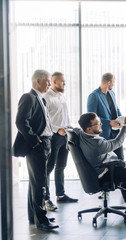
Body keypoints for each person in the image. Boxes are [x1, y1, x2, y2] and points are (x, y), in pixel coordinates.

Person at [74, 112, 126, 222]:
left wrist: (68, 130)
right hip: (107, 173)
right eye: (97, 123)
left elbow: (76, 130)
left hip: (98, 171)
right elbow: (117, 142)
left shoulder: (81, 134)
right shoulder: (97, 144)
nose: (101, 124)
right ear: (88, 128)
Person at [12, 69, 59, 230]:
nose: (49, 83)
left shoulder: (41, 99)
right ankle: (42, 221)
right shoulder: (29, 97)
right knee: (40, 184)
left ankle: (35, 218)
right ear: (37, 81)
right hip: (37, 146)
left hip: (45, 143)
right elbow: (20, 121)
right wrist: (35, 141)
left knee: (36, 183)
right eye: (47, 80)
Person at [87, 73, 126, 201]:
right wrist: (108, 122)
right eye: (114, 82)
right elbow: (91, 117)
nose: (114, 85)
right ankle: (105, 189)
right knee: (106, 164)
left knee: (121, 162)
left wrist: (124, 120)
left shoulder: (112, 94)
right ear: (109, 82)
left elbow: (116, 111)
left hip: (115, 133)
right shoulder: (94, 96)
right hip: (103, 136)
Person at [43, 72, 78, 212]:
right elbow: (46, 120)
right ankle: (46, 199)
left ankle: (61, 194)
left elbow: (64, 115)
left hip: (65, 135)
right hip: (53, 136)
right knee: (49, 168)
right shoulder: (47, 98)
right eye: (62, 81)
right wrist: (58, 130)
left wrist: (68, 126)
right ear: (54, 82)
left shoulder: (61, 96)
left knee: (61, 166)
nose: (65, 84)